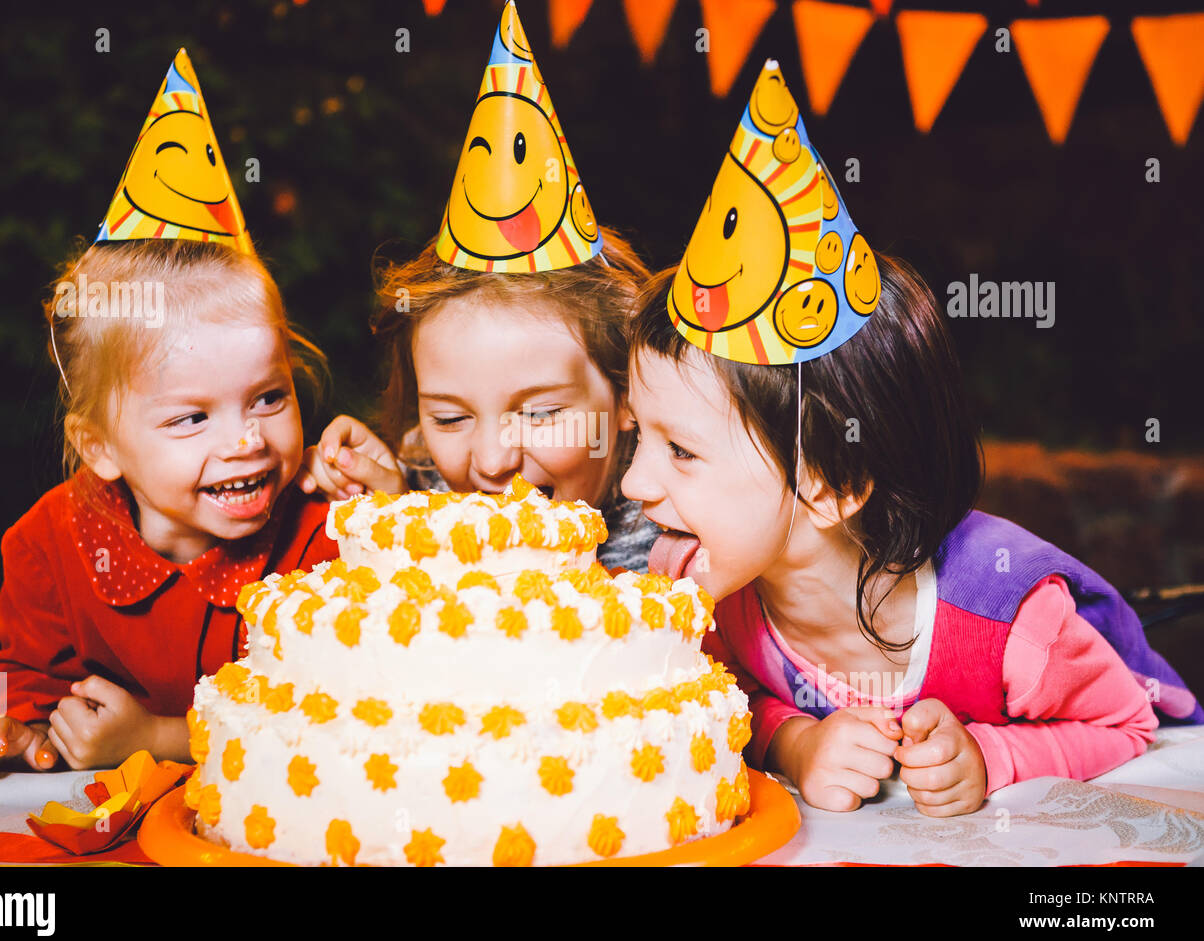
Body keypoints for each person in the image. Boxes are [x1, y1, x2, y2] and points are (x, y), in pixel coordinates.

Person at [621, 61, 1199, 817]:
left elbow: (1128, 724)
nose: (633, 484)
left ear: (829, 486)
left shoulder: (1011, 627)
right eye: (638, 437)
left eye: (682, 451)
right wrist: (794, 743)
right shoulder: (727, 600)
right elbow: (729, 696)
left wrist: (994, 757)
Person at [0, 51, 342, 775]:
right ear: (98, 446)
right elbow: (31, 686)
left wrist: (157, 739)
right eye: (192, 418)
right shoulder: (48, 546)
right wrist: (12, 731)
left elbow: (341, 720)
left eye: (269, 397)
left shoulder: (326, 543)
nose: (247, 440)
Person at [301, 1, 660, 572]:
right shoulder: (413, 485)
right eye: (449, 418)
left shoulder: (685, 538)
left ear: (628, 397)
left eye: (540, 413)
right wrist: (391, 516)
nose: (492, 462)